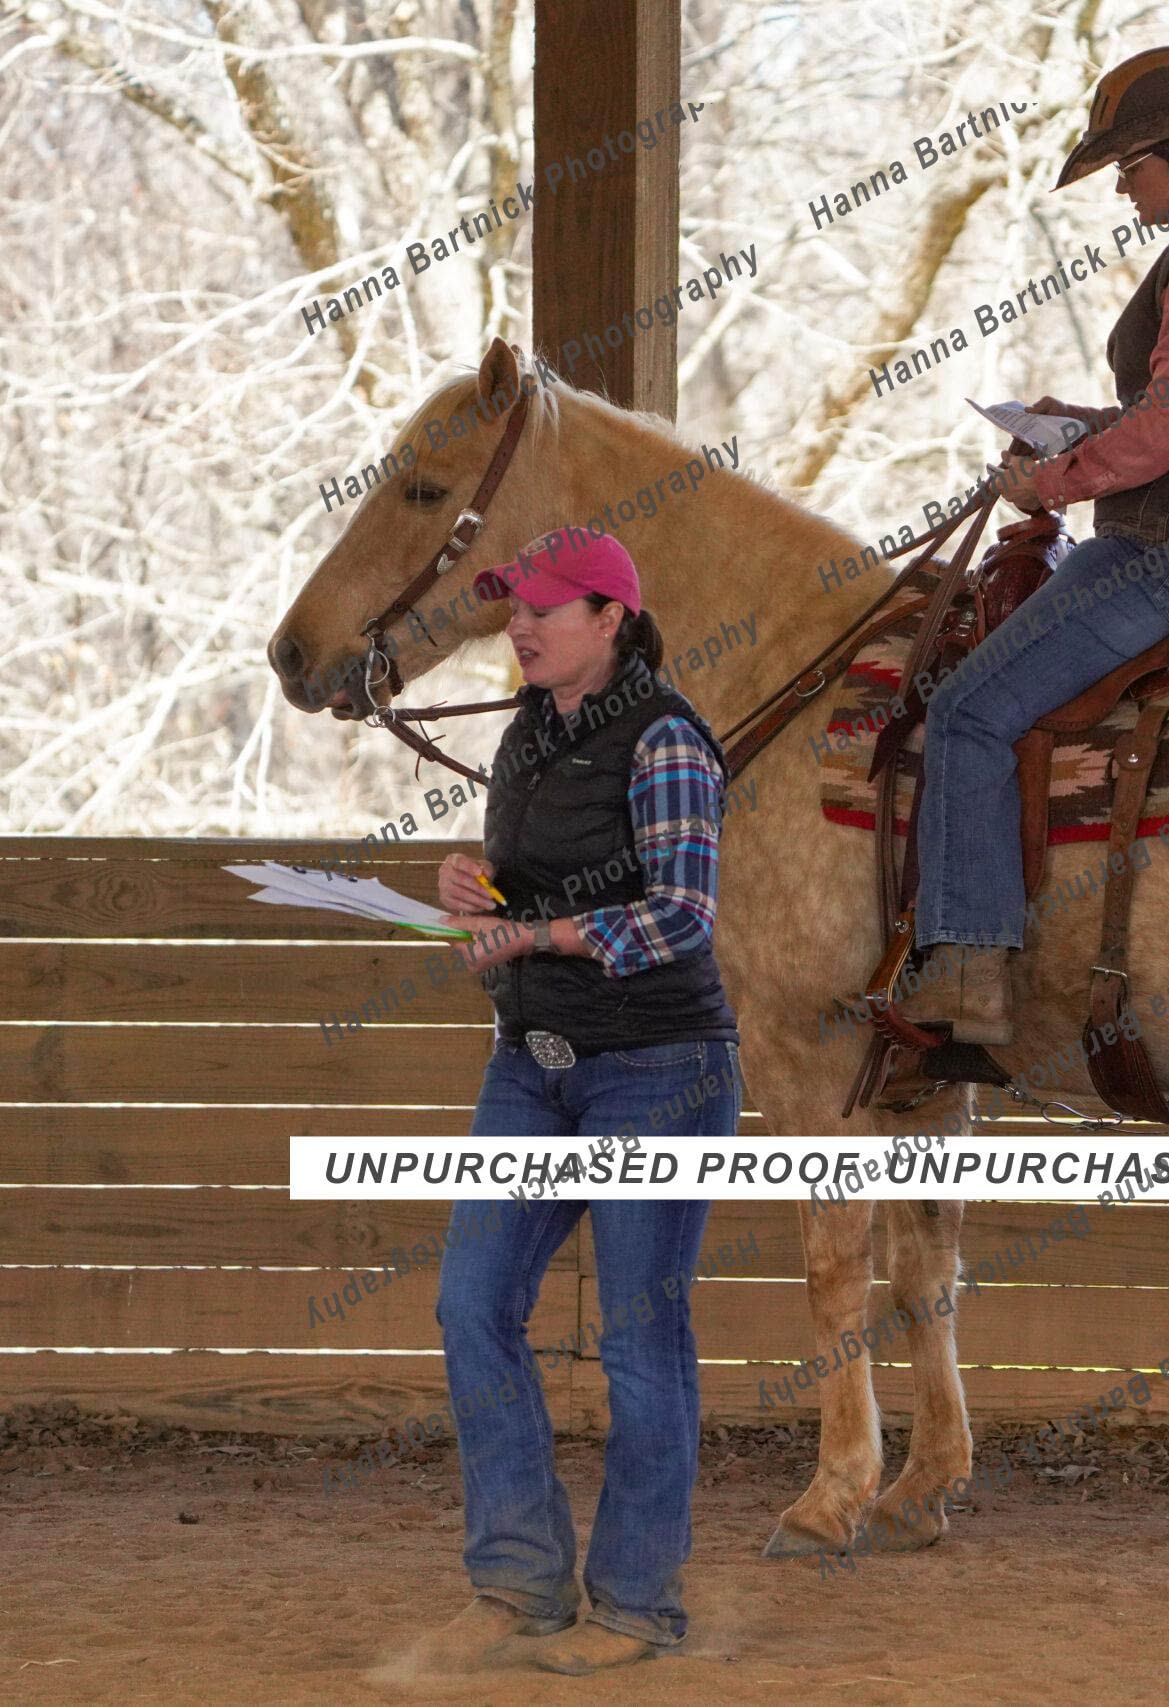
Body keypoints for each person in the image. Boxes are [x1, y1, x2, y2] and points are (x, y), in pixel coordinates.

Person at [898, 44, 1169, 1045]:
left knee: (966, 711)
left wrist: (1050, 482)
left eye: (1131, 170)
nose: (1125, 194)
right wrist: (1081, 425)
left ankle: (968, 970)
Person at [409, 524, 740, 1677]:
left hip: (659, 1067)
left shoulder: (666, 740)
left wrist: (538, 935)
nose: (519, 626)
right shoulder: (528, 735)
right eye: (514, 609)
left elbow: (681, 917)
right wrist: (473, 886)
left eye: (543, 610)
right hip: (533, 1061)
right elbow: (532, 888)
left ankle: (637, 1605)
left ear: (611, 620)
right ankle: (517, 1584)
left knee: (640, 1340)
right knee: (471, 1304)